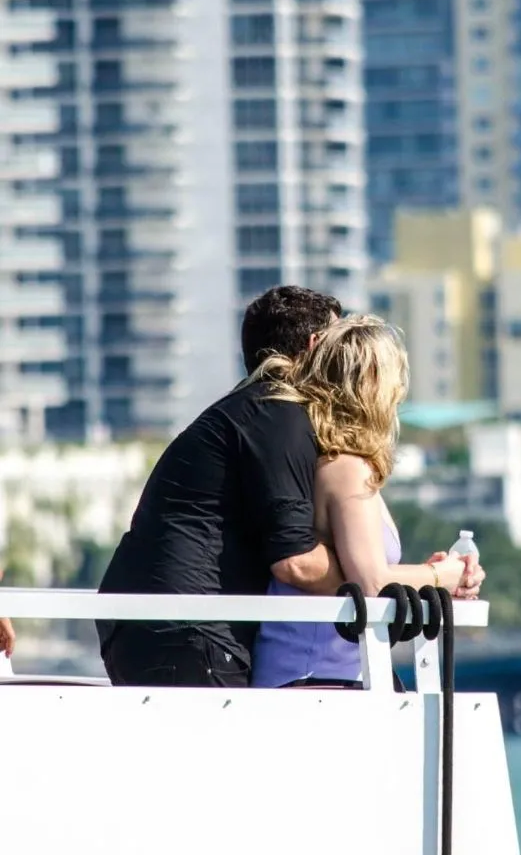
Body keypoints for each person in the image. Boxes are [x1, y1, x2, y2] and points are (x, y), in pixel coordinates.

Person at [97, 285, 346, 687]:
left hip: (154, 623)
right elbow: (296, 560)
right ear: (316, 345)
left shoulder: (246, 409)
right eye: (342, 345)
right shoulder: (278, 412)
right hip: (189, 628)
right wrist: (387, 581)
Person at [251, 315, 484, 689]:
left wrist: (426, 574)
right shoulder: (346, 468)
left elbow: (362, 570)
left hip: (321, 677)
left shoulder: (338, 461)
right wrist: (442, 577)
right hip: (314, 680)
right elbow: (372, 582)